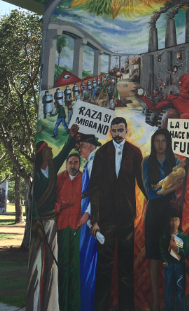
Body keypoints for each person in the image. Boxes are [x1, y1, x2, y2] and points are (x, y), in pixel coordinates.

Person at [87, 117, 147, 311]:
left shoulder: (135, 153)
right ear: (111, 131)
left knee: (126, 267)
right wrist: (95, 220)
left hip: (127, 218)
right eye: (114, 130)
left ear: (126, 131)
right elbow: (94, 187)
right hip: (105, 220)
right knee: (104, 267)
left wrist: (154, 199)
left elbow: (141, 181)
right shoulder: (101, 153)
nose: (118, 134)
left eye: (121, 130)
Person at [27, 124, 79, 311]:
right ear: (42, 154)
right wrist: (35, 221)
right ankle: (33, 306)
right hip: (38, 224)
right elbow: (31, 199)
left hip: (51, 222)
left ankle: (50, 307)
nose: (50, 150)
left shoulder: (51, 166)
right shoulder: (36, 174)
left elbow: (65, 152)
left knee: (51, 267)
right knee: (35, 266)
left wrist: (71, 137)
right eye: (48, 149)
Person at [143, 129, 182, 311]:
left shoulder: (174, 162)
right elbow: (150, 192)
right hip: (153, 213)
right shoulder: (146, 162)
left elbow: (177, 185)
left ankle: (170, 299)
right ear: (153, 143)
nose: (160, 144)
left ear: (168, 143)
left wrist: (163, 190)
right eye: (157, 141)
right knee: (153, 256)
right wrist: (167, 189)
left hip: (170, 212)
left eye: (163, 141)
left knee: (172, 254)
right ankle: (156, 301)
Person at [77, 133, 102, 311]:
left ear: (91, 147)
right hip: (86, 207)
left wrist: (88, 213)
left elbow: (97, 190)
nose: (80, 148)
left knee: (87, 255)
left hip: (90, 211)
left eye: (83, 145)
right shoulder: (89, 162)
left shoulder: (94, 162)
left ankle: (87, 303)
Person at [56, 151, 83, 311]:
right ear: (66, 164)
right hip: (62, 227)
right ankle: (61, 305)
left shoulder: (85, 178)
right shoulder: (59, 178)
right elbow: (49, 200)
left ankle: (75, 306)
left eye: (76, 162)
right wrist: (60, 207)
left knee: (76, 268)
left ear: (79, 164)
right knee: (63, 266)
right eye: (70, 162)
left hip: (78, 228)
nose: (73, 165)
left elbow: (91, 200)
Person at [160, 206, 189, 311]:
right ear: (168, 222)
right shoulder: (164, 236)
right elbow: (162, 249)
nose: (174, 223)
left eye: (176, 220)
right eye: (172, 220)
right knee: (168, 290)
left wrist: (176, 247)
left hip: (179, 266)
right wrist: (164, 261)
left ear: (180, 221)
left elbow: (185, 253)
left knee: (180, 289)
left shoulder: (184, 237)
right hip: (168, 266)